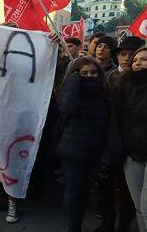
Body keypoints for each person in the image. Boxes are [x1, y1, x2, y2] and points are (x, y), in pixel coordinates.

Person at [95, 37, 145, 232]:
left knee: (133, 199)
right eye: (124, 55)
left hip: (136, 149)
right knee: (108, 189)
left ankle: (123, 225)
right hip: (116, 145)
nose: (129, 59)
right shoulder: (111, 77)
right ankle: (108, 224)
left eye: (133, 55)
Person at [58, 57, 110, 232]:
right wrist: (74, 81)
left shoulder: (104, 92)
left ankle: (78, 223)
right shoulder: (71, 92)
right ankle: (74, 228)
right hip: (74, 151)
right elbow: (66, 109)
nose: (89, 76)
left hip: (95, 151)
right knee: (73, 191)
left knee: (86, 192)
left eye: (93, 73)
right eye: (84, 73)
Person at [110, 46, 147, 232]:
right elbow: (116, 120)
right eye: (135, 60)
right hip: (132, 155)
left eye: (144, 59)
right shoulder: (123, 86)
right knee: (139, 207)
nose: (138, 63)